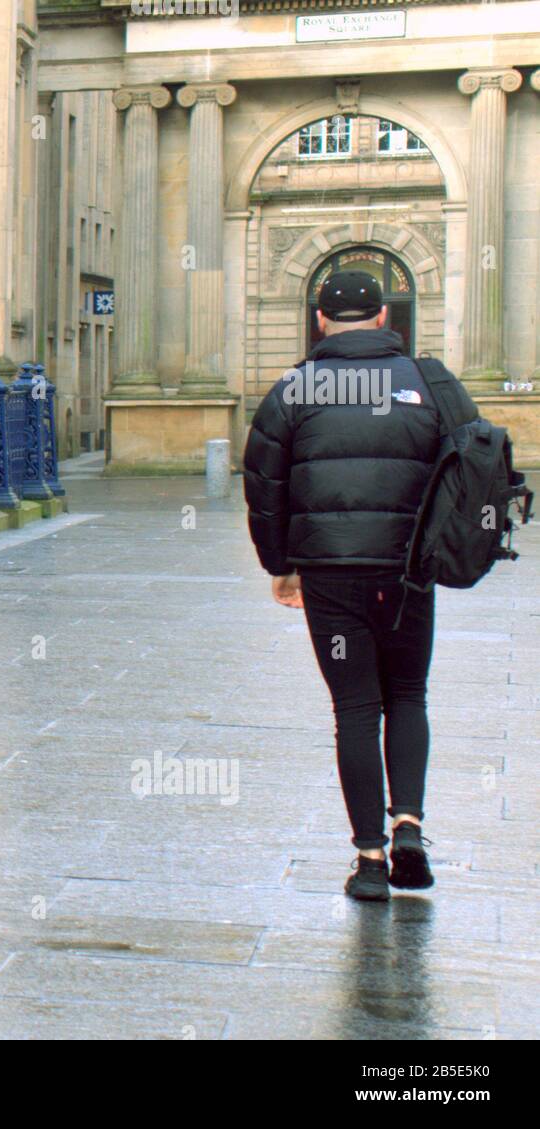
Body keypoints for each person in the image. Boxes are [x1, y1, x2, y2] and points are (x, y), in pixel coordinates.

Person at [243, 270, 472, 902]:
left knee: (354, 710)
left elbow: (264, 485)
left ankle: (370, 860)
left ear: (321, 320)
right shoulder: (430, 382)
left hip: (331, 577)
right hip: (407, 575)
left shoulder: (295, 387)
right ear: (381, 319)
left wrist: (279, 565)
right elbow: (468, 467)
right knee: (407, 694)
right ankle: (410, 829)